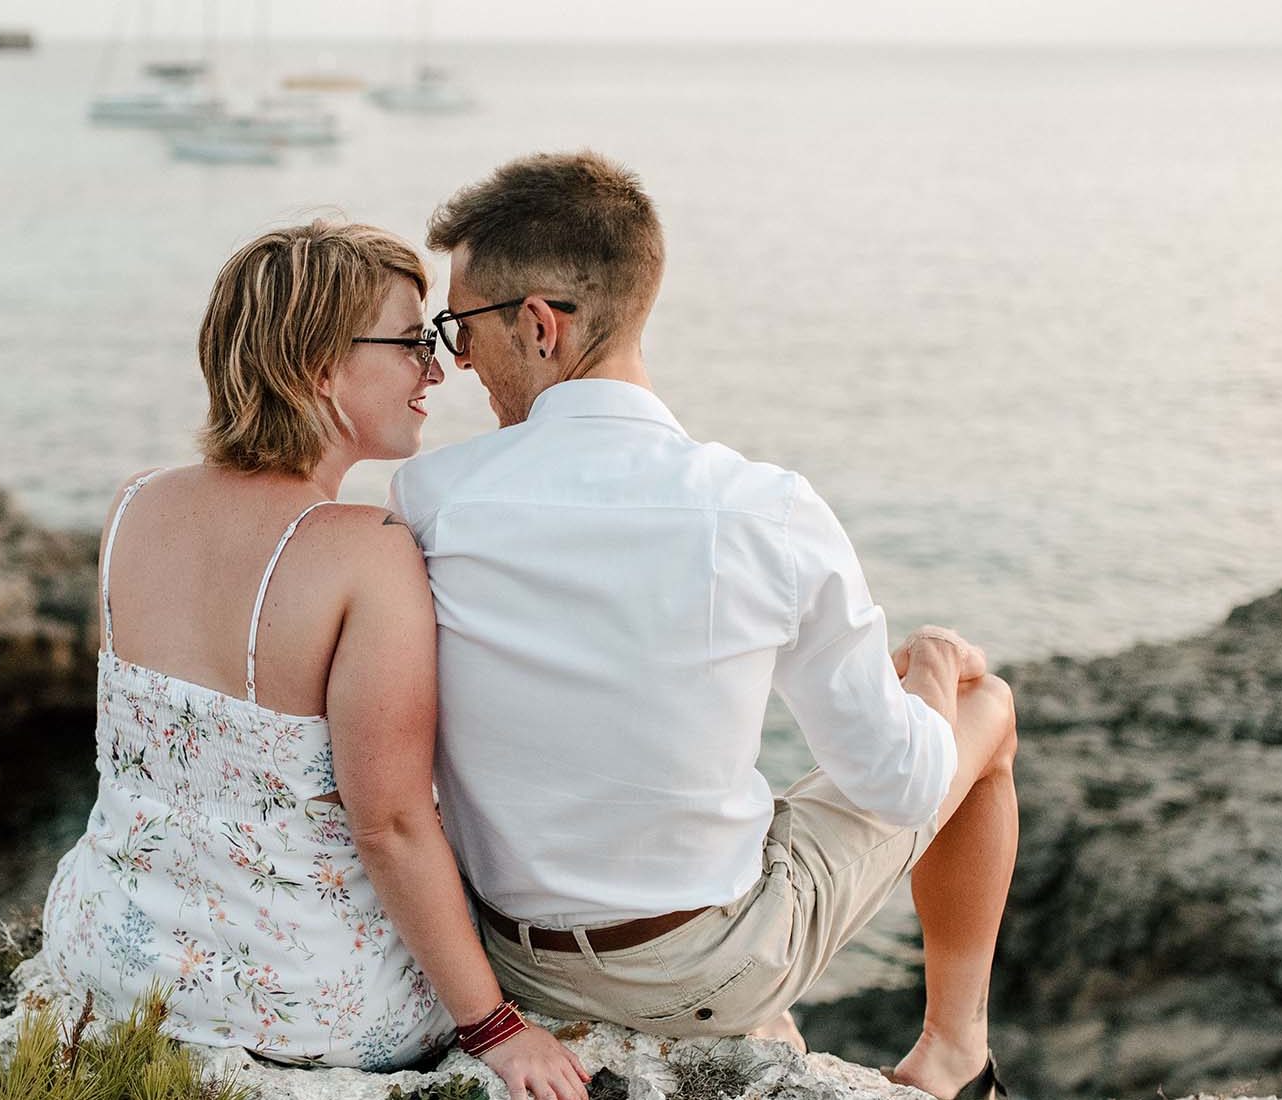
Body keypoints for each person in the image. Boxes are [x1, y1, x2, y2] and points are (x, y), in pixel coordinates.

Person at [388, 153, 1021, 1100]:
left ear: (539, 325)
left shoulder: (431, 498)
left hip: (514, 967)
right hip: (706, 968)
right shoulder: (767, 510)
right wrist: (928, 673)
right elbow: (901, 782)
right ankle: (954, 1050)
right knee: (988, 707)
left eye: (460, 328)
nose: (456, 359)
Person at [33, 221, 591, 1100]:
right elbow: (392, 826)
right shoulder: (363, 552)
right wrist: (499, 1030)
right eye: (412, 344)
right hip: (299, 1006)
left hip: (106, 960)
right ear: (318, 369)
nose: (436, 372)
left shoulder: (131, 505)